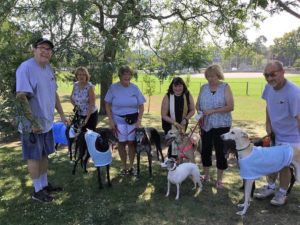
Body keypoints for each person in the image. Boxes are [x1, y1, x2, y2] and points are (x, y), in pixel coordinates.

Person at [16, 38, 67, 202]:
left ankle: (44, 185)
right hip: (32, 125)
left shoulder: (48, 68)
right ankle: (37, 191)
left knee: (44, 155)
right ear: (34, 50)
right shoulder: (26, 68)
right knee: (34, 157)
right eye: (42, 48)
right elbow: (21, 97)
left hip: (46, 122)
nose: (45, 51)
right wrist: (32, 122)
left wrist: (62, 114)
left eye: (49, 49)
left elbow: (54, 93)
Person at [254, 60, 300, 206]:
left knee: (283, 165)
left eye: (272, 74)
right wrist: (268, 125)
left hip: (292, 137)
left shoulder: (294, 92)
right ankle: (271, 187)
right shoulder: (268, 88)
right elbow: (268, 106)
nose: (269, 78)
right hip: (275, 134)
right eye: (266, 75)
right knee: (272, 162)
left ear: (282, 72)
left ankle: (282, 194)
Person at [196, 64, 234, 189]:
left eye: (213, 76)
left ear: (218, 76)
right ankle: (206, 175)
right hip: (206, 125)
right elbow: (198, 105)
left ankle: (219, 180)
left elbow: (230, 106)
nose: (210, 79)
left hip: (222, 125)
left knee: (220, 151)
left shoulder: (225, 87)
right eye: (208, 77)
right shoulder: (203, 88)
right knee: (205, 150)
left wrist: (213, 111)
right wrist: (200, 112)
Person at [105, 65, 145, 176]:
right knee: (121, 143)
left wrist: (139, 121)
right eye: (124, 74)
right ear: (120, 75)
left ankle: (132, 166)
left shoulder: (135, 88)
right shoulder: (113, 88)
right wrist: (110, 120)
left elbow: (141, 106)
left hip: (133, 120)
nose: (127, 76)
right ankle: (124, 166)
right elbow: (107, 104)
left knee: (131, 143)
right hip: (118, 120)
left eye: (129, 74)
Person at [161, 77, 196, 158]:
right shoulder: (167, 96)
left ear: (183, 86)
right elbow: (164, 115)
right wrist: (175, 123)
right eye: (175, 86)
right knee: (172, 146)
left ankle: (180, 164)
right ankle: (172, 165)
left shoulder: (187, 95)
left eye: (180, 86)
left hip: (182, 124)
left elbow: (192, 110)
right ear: (172, 86)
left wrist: (186, 119)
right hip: (170, 125)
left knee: (181, 143)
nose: (178, 88)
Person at [70, 66, 98, 131]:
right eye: (79, 74)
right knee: (78, 135)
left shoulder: (89, 87)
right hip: (79, 114)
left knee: (88, 136)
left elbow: (92, 104)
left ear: (86, 76)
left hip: (90, 115)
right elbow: (71, 98)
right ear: (76, 76)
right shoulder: (75, 85)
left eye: (83, 74)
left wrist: (86, 119)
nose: (81, 76)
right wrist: (75, 106)